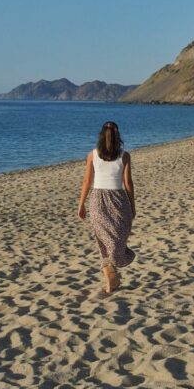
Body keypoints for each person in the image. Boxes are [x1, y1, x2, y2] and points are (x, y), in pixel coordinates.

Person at [78, 120, 136, 293]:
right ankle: (111, 278)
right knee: (117, 241)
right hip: (118, 200)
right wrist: (133, 205)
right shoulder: (124, 156)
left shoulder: (92, 154)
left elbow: (87, 182)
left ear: (101, 136)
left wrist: (81, 204)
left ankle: (111, 276)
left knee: (103, 242)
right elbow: (128, 184)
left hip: (97, 200)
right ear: (118, 136)